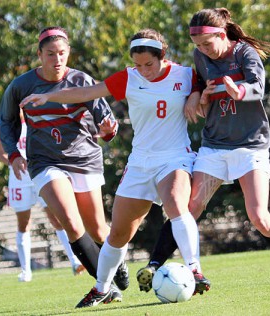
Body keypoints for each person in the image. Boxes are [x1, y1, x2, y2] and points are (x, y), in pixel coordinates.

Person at [20, 28, 211, 308]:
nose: (143, 70)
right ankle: (101, 289)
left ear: (163, 56)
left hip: (174, 158)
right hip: (139, 163)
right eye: (138, 64)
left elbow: (206, 85)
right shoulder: (128, 77)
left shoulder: (185, 75)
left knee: (175, 205)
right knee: (117, 234)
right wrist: (48, 97)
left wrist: (195, 93)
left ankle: (195, 270)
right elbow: (86, 92)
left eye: (149, 64)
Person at [136, 8, 270, 291]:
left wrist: (239, 91)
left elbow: (258, 87)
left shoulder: (244, 54)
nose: (203, 51)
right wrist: (197, 97)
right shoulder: (201, 57)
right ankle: (154, 265)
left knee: (258, 217)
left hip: (249, 146)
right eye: (197, 46)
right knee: (188, 208)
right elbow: (197, 82)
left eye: (207, 44)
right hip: (214, 146)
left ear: (222, 35)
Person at [0, 26, 128, 298]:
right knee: (69, 220)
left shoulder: (81, 81)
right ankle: (104, 288)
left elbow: (108, 125)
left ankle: (116, 260)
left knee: (98, 230)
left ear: (68, 53)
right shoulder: (21, 86)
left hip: (84, 158)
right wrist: (13, 154)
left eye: (61, 54)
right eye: (50, 54)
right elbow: (6, 123)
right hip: (44, 162)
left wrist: (107, 131)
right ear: (39, 54)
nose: (56, 60)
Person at [0, 116, 85, 281]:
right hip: (19, 178)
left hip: (41, 174)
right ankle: (26, 271)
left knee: (57, 218)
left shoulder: (37, 116)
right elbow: (0, 154)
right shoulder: (2, 124)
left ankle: (75, 261)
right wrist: (15, 161)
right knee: (23, 223)